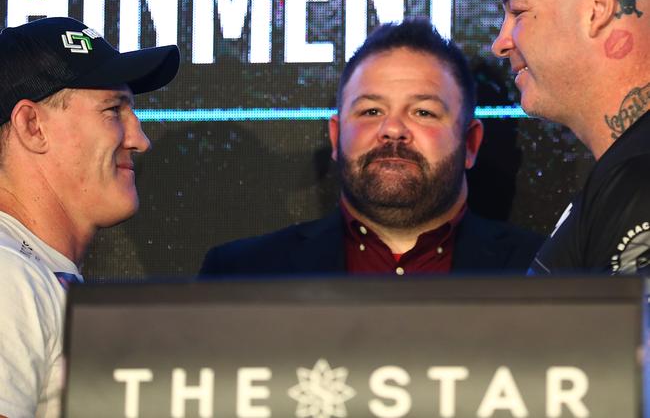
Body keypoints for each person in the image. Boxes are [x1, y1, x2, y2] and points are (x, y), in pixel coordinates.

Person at [201, 18, 542, 277]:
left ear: (470, 143)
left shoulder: (546, 271)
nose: (392, 129)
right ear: (336, 137)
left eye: (423, 112)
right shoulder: (242, 274)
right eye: (371, 111)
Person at [0, 17, 179, 417]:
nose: (141, 140)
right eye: (114, 110)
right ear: (33, 127)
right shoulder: (7, 276)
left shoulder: (32, 273)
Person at [492, 0, 650, 274]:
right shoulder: (623, 175)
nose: (500, 43)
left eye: (518, 12)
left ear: (597, 8)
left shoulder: (639, 180)